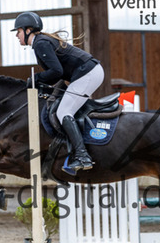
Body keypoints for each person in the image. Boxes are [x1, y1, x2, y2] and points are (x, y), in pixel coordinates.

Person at [12, 11, 104, 173]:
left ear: (28, 31)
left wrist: (35, 78)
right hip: (87, 72)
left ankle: (83, 156)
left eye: (18, 31)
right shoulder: (41, 42)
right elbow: (56, 74)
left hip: (88, 73)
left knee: (63, 111)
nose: (16, 36)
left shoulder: (40, 43)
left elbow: (56, 71)